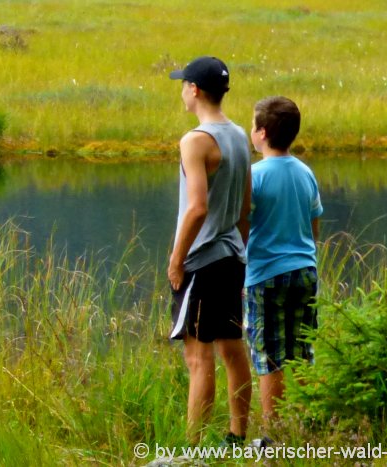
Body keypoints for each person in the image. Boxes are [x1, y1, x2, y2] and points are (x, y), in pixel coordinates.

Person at [165, 56, 253, 446]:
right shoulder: (237, 134)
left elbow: (197, 207)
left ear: (194, 90)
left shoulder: (196, 140)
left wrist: (176, 260)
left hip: (201, 261)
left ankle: (193, 448)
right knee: (233, 350)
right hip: (233, 256)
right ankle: (236, 436)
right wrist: (244, 257)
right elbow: (245, 207)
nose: (182, 90)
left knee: (198, 358)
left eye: (183, 84)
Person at [243, 96, 320, 443]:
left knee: (269, 354)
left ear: (261, 133)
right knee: (301, 350)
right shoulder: (305, 172)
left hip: (265, 275)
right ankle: (303, 426)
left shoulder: (254, 176)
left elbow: (242, 225)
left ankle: (274, 435)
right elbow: (315, 225)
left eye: (253, 125)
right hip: (305, 269)